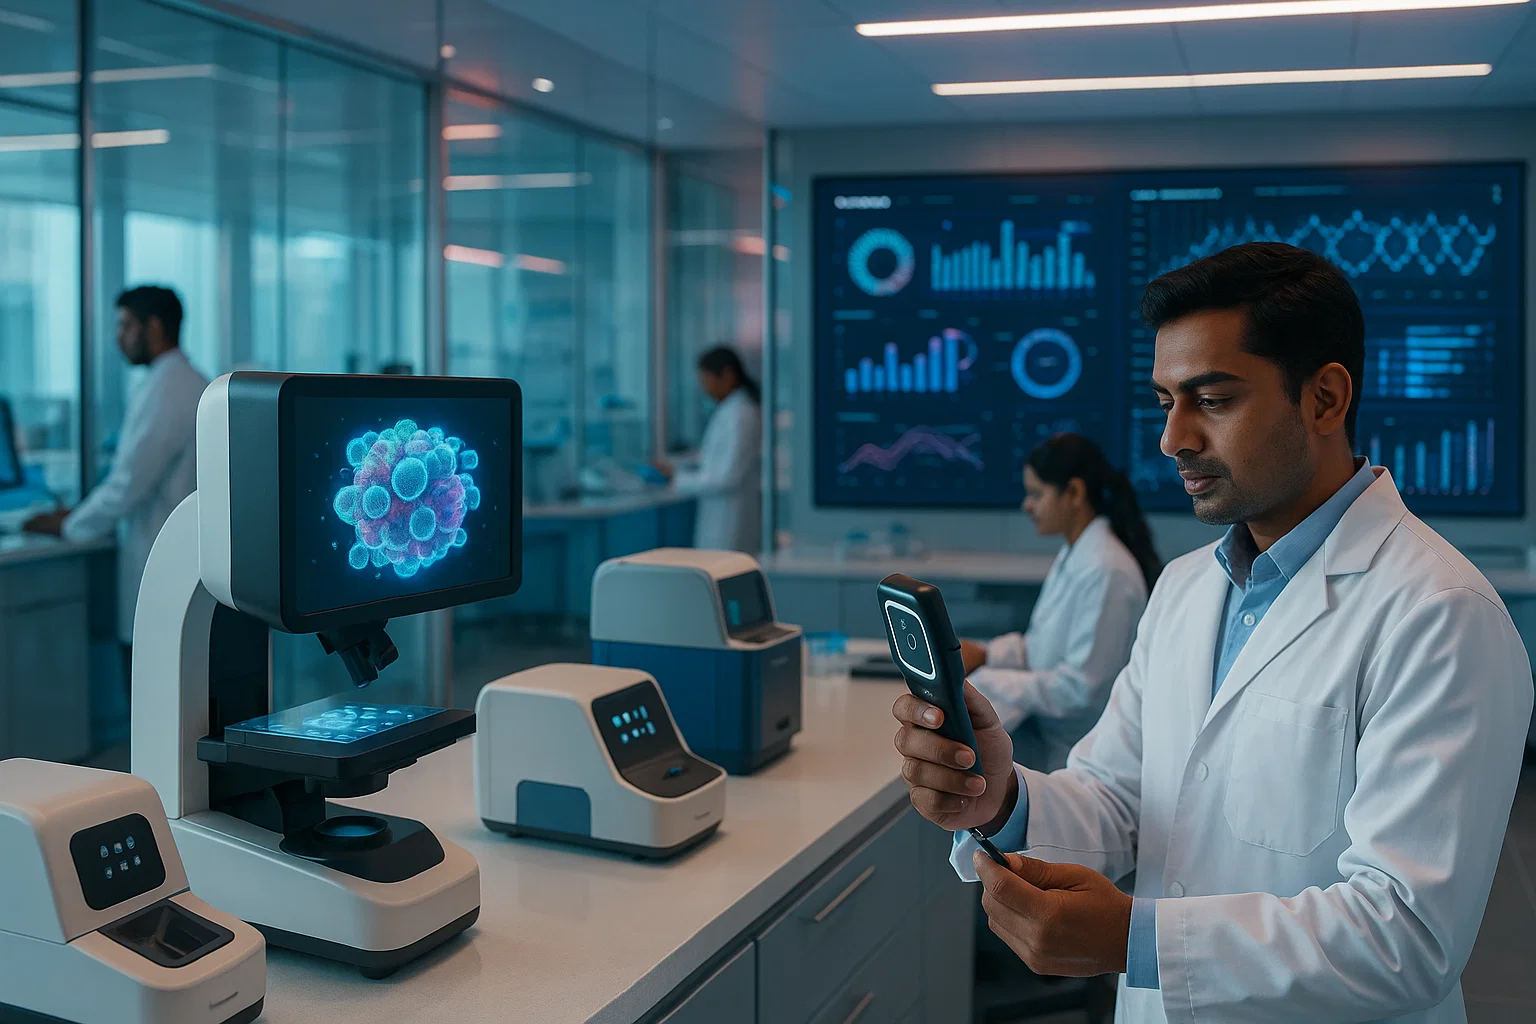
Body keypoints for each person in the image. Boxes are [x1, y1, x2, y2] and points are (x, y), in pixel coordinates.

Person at [892, 242, 1532, 1023]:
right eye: (1166, 402)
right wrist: (1004, 800)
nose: (1173, 439)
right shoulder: (1187, 587)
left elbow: (1410, 936)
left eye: (1214, 400)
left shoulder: (1439, 612)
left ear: (1325, 399)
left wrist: (1140, 940)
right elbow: (1126, 802)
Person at [25, 286, 208, 687]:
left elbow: (128, 484)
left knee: (157, 691)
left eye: (125, 325)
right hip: (173, 562)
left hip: (162, 566)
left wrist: (69, 525)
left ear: (154, 326)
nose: (118, 337)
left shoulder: (169, 389)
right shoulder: (184, 381)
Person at [960, 434, 1158, 771]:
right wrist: (986, 654)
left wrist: (987, 679)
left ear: (1075, 493)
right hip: (1054, 740)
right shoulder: (1077, 552)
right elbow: (1042, 646)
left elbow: (1080, 691)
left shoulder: (1106, 570)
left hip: (1080, 755)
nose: (1027, 505)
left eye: (1037, 494)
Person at [654, 346, 762, 552]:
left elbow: (726, 477)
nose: (704, 387)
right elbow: (714, 458)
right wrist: (677, 466)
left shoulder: (739, 415)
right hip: (722, 518)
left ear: (727, 375)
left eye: (706, 379)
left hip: (729, 522)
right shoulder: (731, 410)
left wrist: (676, 479)